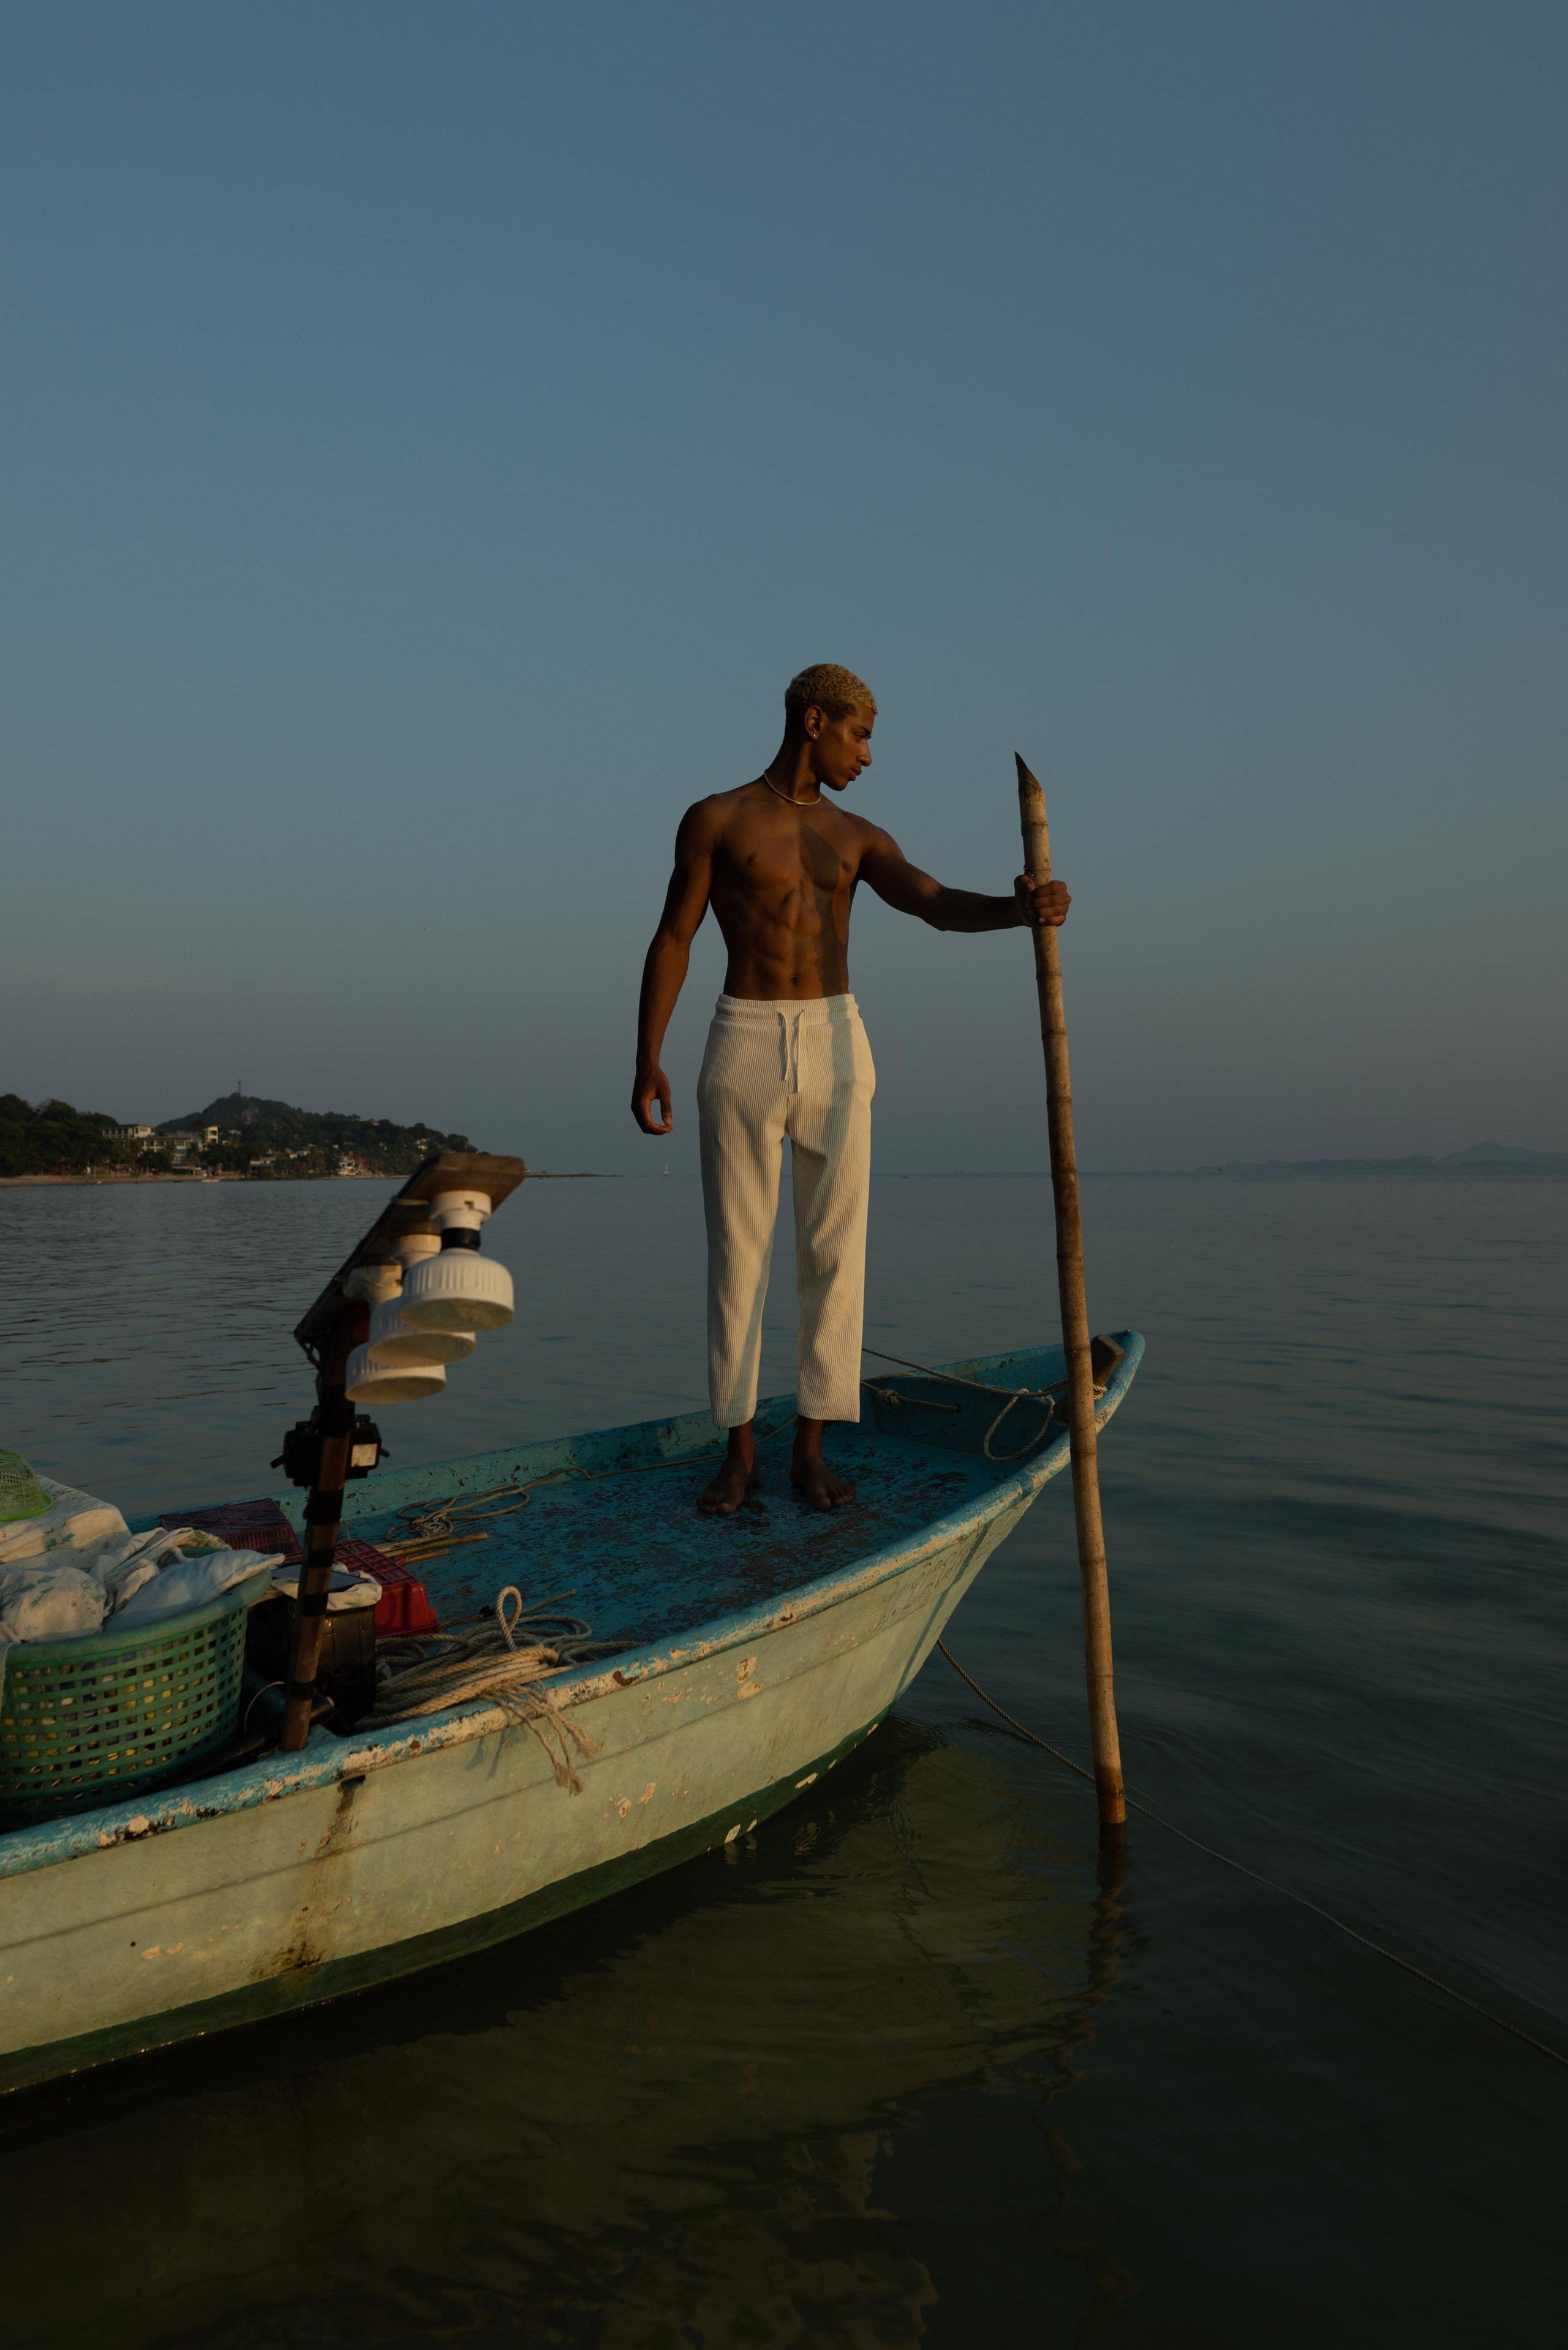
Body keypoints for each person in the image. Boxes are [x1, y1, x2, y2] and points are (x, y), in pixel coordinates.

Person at [631, 662, 1070, 1516]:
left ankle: (812, 1445)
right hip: (744, 1035)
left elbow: (935, 903)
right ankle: (738, 1449)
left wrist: (1017, 909)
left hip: (836, 1037)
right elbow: (674, 936)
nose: (867, 756)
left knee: (836, 1254)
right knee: (739, 1258)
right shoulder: (715, 818)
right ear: (814, 721)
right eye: (859, 734)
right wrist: (648, 1054)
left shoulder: (860, 835)